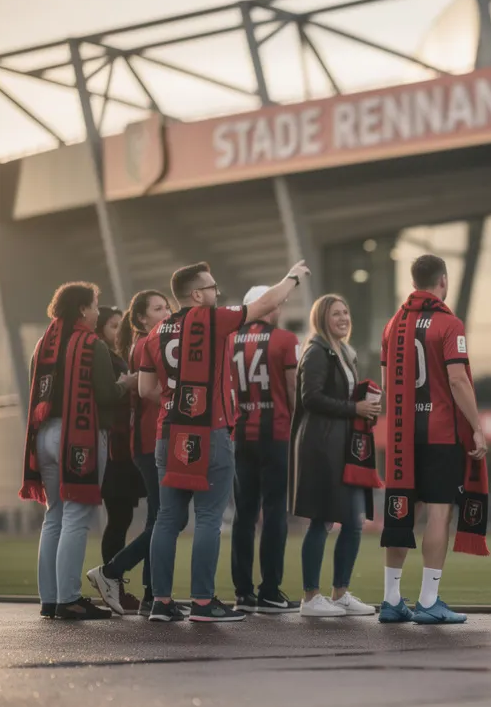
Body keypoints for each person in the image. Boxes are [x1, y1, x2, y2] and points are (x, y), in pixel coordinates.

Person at [140, 261, 310, 623]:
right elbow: (264, 305)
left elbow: (146, 389)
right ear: (197, 294)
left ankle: (161, 602)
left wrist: (176, 401)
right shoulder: (211, 319)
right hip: (210, 429)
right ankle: (203, 602)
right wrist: (292, 277)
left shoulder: (155, 332)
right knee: (208, 517)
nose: (218, 293)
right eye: (213, 287)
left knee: (167, 519)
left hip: (168, 430)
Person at [379, 254, 489, 625]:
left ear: (414, 282)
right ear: (443, 280)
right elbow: (458, 380)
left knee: (402, 512)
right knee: (439, 510)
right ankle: (428, 601)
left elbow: (387, 380)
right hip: (439, 432)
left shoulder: (393, 324)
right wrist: (476, 425)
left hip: (400, 437)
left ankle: (391, 600)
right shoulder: (448, 323)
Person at [18, 282, 132, 620]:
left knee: (53, 516)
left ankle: (50, 598)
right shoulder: (92, 345)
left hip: (45, 434)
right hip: (79, 435)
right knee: (77, 517)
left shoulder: (44, 344)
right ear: (82, 309)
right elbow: (106, 396)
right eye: (95, 305)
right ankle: (68, 597)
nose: (98, 312)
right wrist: (125, 383)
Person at [290, 294, 380, 617]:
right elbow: (311, 397)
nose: (343, 317)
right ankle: (310, 597)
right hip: (321, 446)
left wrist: (365, 409)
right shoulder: (316, 351)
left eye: (346, 311)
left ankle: (340, 592)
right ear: (321, 318)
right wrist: (354, 407)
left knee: (353, 521)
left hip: (344, 446)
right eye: (335, 313)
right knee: (322, 519)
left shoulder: (343, 352)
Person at [87, 291, 174, 616]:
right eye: (158, 308)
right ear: (139, 318)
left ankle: (153, 593)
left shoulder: (147, 343)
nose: (166, 312)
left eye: (167, 307)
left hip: (152, 440)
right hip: (149, 441)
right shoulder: (146, 344)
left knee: (160, 517)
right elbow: (147, 391)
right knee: (167, 518)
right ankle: (112, 572)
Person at [229, 285, 302, 614]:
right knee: (274, 512)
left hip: (241, 432)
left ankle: (243, 592)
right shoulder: (285, 340)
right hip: (276, 433)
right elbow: (292, 388)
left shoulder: (228, 340)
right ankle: (270, 589)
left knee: (244, 515)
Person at [91, 306, 144, 613]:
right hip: (117, 447)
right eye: (112, 326)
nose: (116, 331)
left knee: (122, 518)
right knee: (119, 518)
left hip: (125, 444)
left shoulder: (116, 355)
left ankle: (115, 582)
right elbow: (109, 396)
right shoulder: (105, 358)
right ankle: (112, 581)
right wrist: (129, 382)